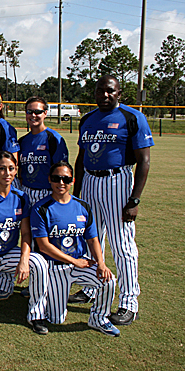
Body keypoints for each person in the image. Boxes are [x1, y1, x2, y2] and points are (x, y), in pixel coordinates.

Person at [71, 75, 154, 326]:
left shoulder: (132, 117)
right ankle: (91, 288)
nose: (104, 95)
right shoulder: (87, 119)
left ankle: (129, 302)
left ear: (119, 93)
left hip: (117, 182)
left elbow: (144, 161)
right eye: (100, 91)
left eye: (110, 91)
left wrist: (135, 200)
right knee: (91, 239)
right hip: (90, 182)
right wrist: (77, 193)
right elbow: (81, 157)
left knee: (122, 245)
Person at [31, 161, 120, 337]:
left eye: (66, 179)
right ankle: (47, 298)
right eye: (57, 178)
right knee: (56, 318)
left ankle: (99, 318)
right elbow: (44, 246)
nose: (61, 183)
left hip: (81, 263)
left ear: (72, 181)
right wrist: (73, 261)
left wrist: (101, 263)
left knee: (108, 280)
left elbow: (93, 239)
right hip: (56, 267)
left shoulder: (83, 207)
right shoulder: (41, 208)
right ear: (50, 179)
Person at [0, 151, 49, 334]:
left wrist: (24, 260)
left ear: (16, 171)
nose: (7, 173)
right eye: (2, 169)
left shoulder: (21, 197)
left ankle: (37, 315)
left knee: (38, 263)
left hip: (10, 253)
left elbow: (26, 234)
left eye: (11, 169)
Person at [18, 96, 69, 205]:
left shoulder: (53, 139)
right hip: (25, 191)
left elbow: (61, 170)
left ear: (45, 113)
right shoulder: (23, 141)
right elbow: (21, 171)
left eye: (37, 112)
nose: (33, 115)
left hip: (47, 193)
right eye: (29, 112)